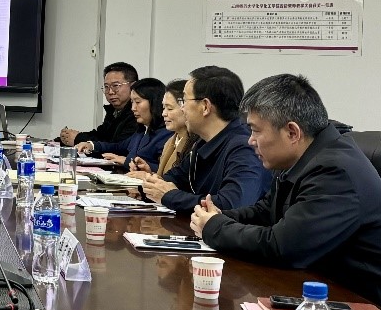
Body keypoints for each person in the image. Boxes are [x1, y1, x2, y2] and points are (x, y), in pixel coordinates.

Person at [189, 74, 381, 307]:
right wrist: (220, 215)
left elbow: (283, 247)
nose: (250, 140)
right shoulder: (305, 158)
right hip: (329, 293)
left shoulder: (335, 171)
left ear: (292, 132)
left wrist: (215, 227)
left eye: (256, 131)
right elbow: (266, 211)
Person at [139, 66, 270, 213]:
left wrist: (170, 196)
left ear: (205, 106)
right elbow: (173, 179)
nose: (182, 109)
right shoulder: (202, 142)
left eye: (184, 101)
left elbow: (232, 204)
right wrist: (151, 186)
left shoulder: (244, 147)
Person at [74, 78, 173, 172]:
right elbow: (118, 146)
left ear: (155, 103)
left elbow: (165, 171)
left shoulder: (166, 134)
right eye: (132, 102)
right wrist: (92, 145)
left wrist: (126, 161)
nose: (133, 108)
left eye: (138, 102)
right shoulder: (141, 131)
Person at [58, 61, 140, 146]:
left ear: (133, 86)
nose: (110, 92)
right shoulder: (113, 111)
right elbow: (101, 135)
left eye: (115, 86)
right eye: (106, 87)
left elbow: (117, 146)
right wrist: (67, 137)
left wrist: (78, 138)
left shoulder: (137, 113)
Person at [151, 79, 193, 177]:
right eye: (163, 108)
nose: (164, 113)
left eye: (169, 108)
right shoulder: (170, 141)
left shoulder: (194, 145)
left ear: (186, 108)